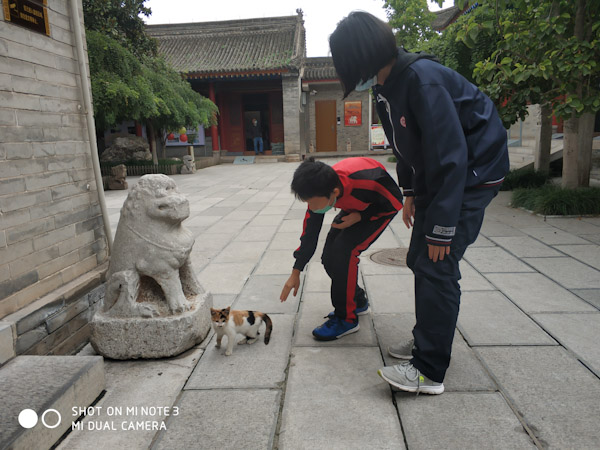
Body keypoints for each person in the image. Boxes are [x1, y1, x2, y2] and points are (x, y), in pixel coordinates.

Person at [329, 11, 509, 394]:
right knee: (418, 258)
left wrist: (442, 228)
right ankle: (429, 336)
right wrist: (409, 193)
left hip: (473, 174)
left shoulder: (421, 81)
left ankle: (429, 370)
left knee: (435, 264)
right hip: (442, 173)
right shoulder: (386, 85)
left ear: (360, 55)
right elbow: (404, 145)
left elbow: (450, 156)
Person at [280, 157, 403, 340]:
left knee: (344, 253)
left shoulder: (366, 181)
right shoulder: (322, 189)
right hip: (353, 206)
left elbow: (395, 201)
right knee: (329, 257)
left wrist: (361, 216)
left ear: (334, 192)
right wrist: (296, 271)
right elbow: (310, 234)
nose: (311, 208)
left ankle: (346, 319)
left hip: (378, 209)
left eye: (312, 203)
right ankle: (358, 301)